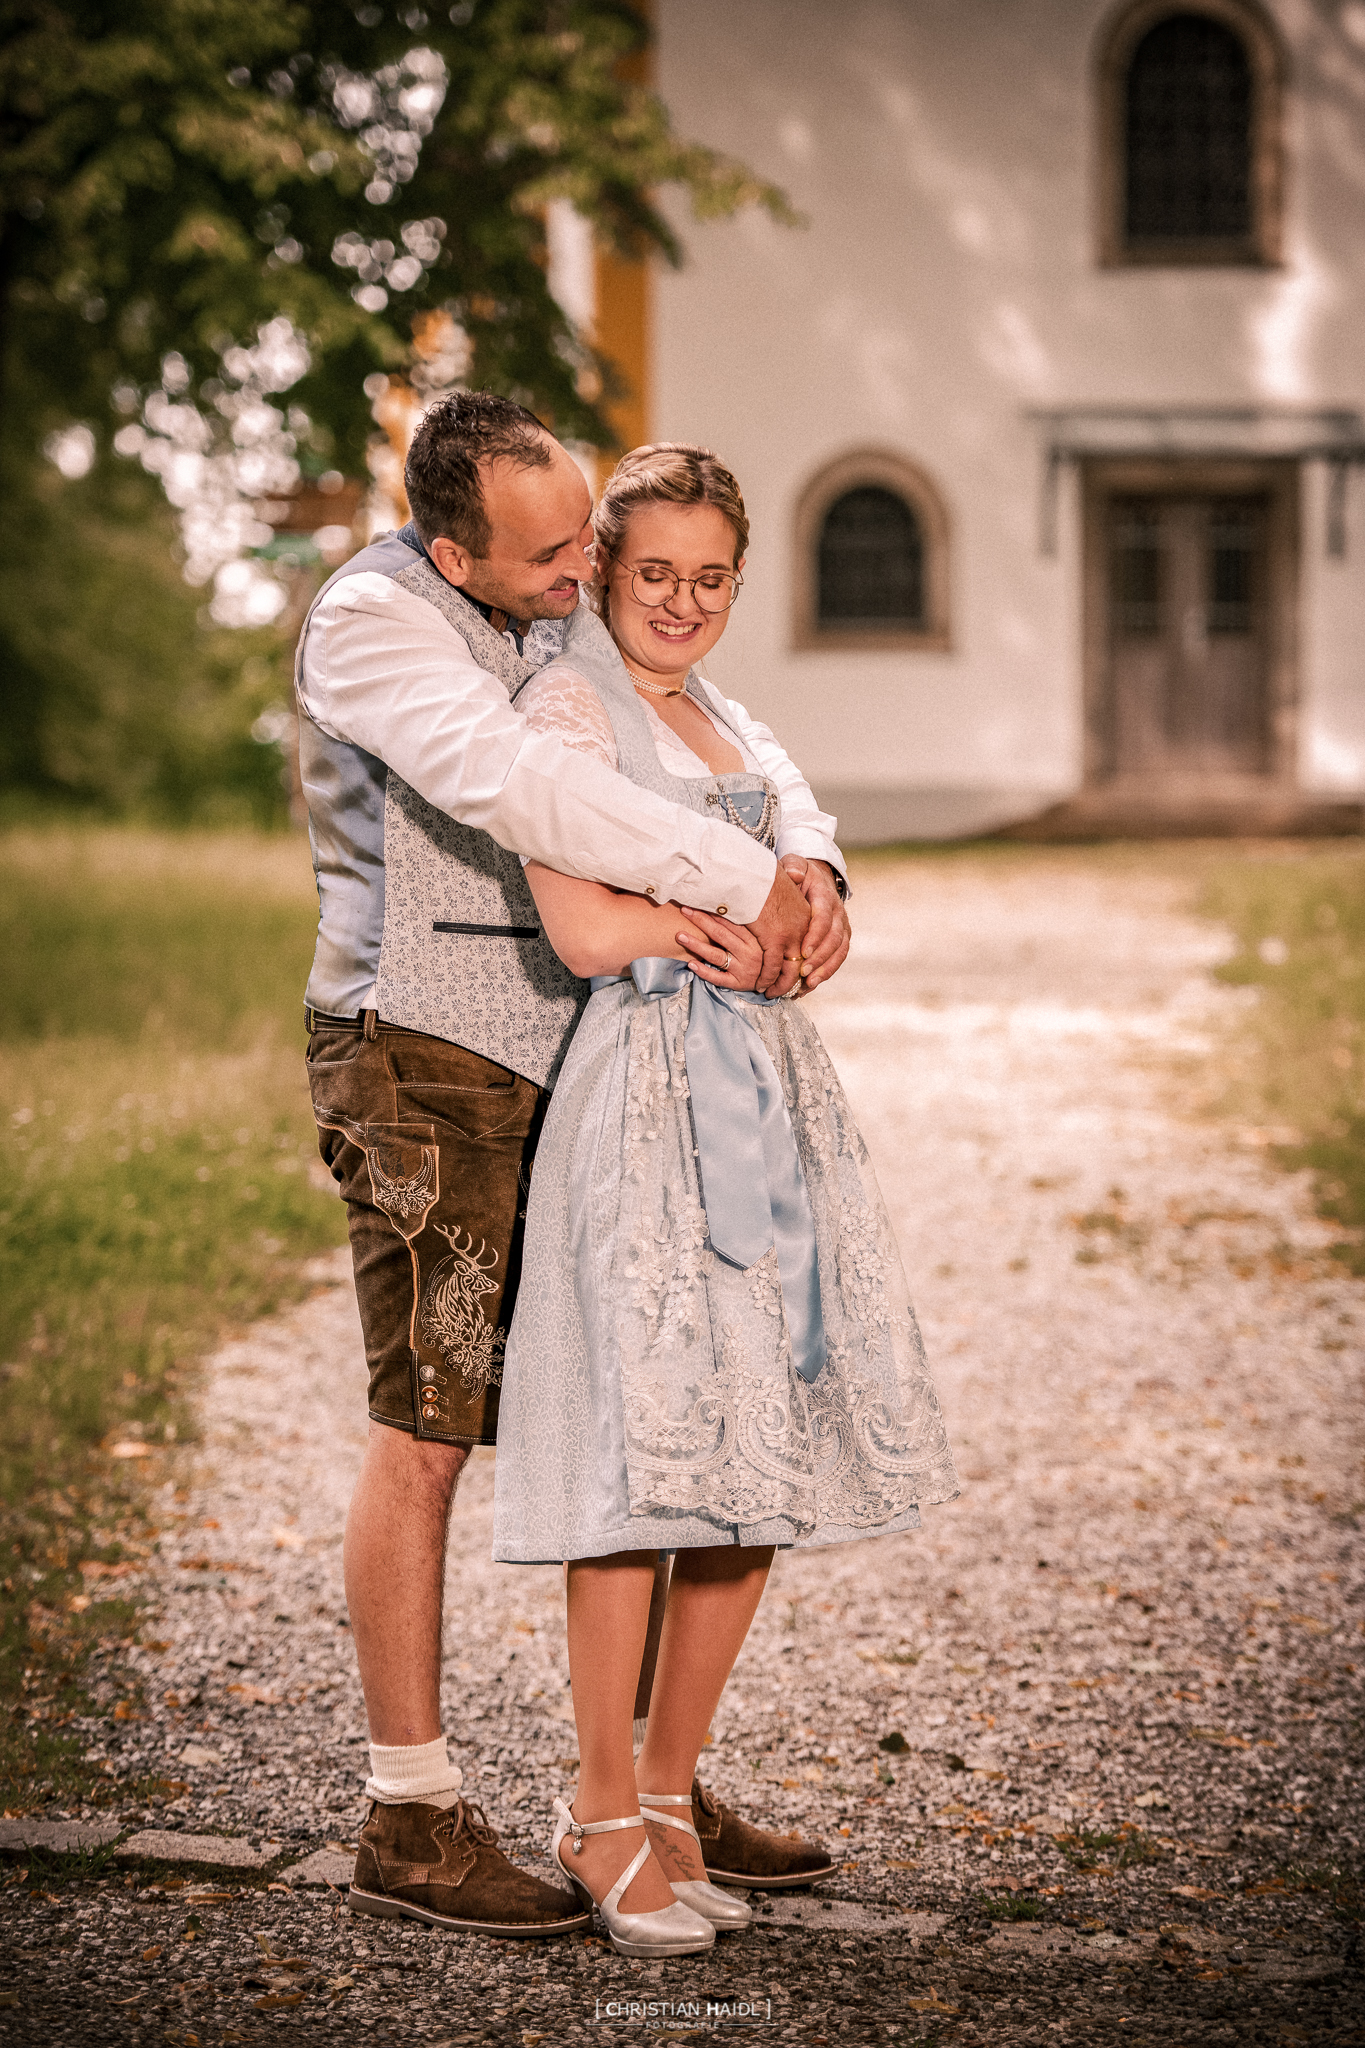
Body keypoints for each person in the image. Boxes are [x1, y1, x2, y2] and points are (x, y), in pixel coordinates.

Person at [295, 392, 853, 1938]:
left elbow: (731, 736)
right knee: (432, 1419)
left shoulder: (553, 618)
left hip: (588, 1070)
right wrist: (752, 884)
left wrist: (814, 864)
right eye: (559, 557)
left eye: (587, 541)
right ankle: (410, 1804)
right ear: (448, 541)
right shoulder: (376, 626)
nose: (588, 573)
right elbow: (522, 788)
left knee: (650, 1401)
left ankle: (649, 1782)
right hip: (422, 1049)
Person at [491, 445, 960, 1956]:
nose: (680, 602)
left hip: (765, 1086)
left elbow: (801, 867)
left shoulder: (732, 719)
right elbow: (574, 924)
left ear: (735, 585)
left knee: (750, 1454)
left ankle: (674, 1790)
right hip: (646, 1097)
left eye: (709, 579)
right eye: (653, 576)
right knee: (652, 1450)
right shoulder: (567, 709)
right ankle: (596, 1804)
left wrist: (813, 912)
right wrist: (719, 918)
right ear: (605, 573)